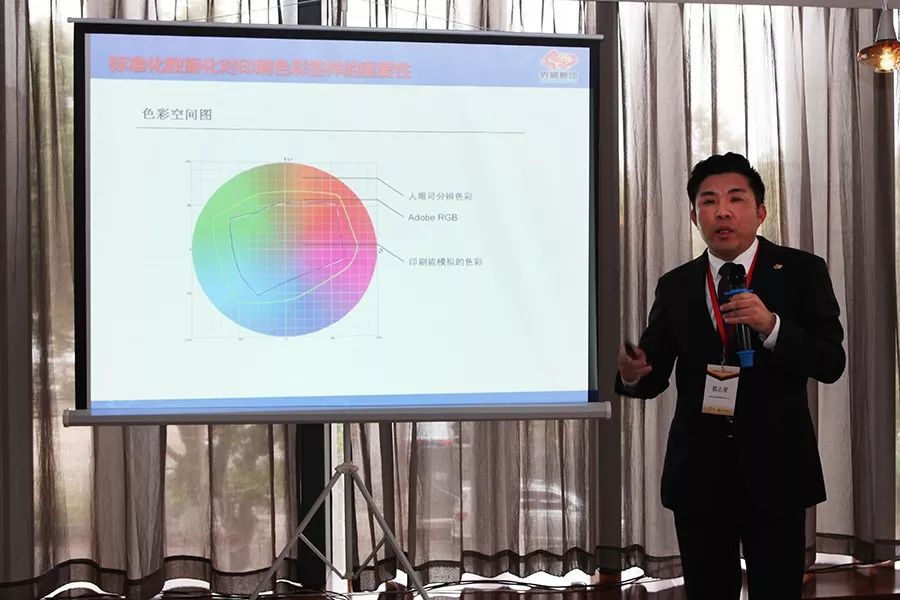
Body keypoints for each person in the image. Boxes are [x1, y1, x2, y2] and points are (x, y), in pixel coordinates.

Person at [616, 152, 845, 600]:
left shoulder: (802, 271)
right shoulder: (677, 284)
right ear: (694, 216)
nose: (722, 211)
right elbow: (652, 374)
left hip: (777, 471)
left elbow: (830, 362)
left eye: (735, 199)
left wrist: (771, 327)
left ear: (760, 212)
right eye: (709, 201)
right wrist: (631, 374)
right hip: (699, 475)